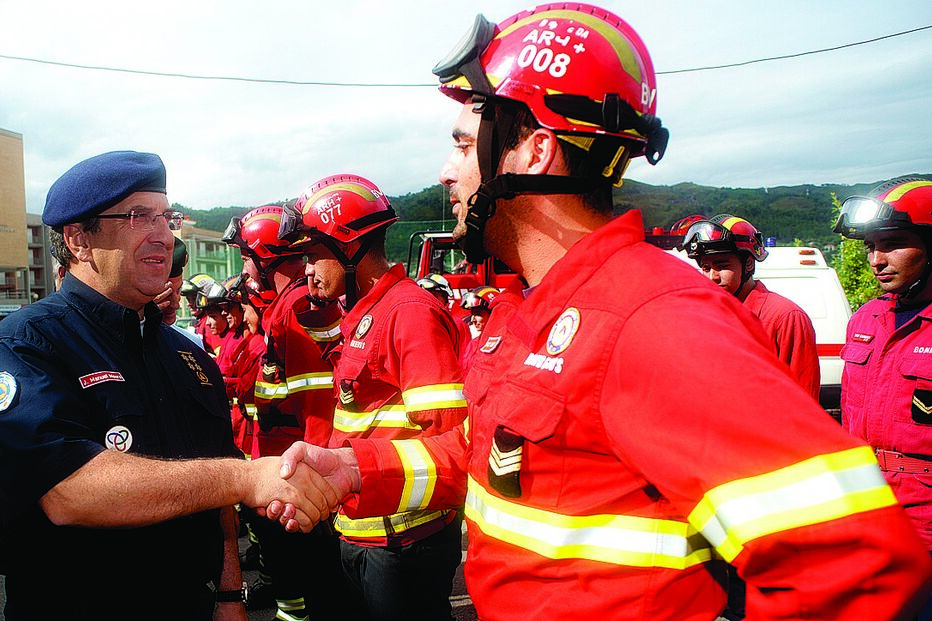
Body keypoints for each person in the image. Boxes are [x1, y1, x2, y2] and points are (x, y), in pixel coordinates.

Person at [268, 5, 932, 620]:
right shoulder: (528, 308)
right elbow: (492, 453)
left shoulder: (653, 319)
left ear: (534, 148)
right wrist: (360, 468)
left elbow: (857, 568)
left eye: (465, 144)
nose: (447, 170)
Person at [0, 150, 341, 620]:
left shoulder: (188, 358)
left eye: (167, 216)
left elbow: (218, 497)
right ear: (79, 239)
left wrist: (227, 597)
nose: (163, 235)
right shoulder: (26, 344)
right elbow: (68, 491)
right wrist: (246, 478)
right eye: (139, 216)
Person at [278, 173, 466, 621]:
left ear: (349, 247)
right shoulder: (365, 314)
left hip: (402, 546)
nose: (305, 270)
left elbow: (448, 437)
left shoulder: (409, 314)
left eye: (311, 255)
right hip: (362, 534)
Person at [223, 205, 348, 620]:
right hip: (284, 462)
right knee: (302, 576)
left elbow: (317, 400)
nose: (245, 268)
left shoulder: (293, 307)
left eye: (245, 256)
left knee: (322, 584)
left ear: (264, 255)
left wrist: (310, 480)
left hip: (302, 471)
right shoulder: (285, 306)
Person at [834, 176, 932, 620]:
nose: (876, 260)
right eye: (870, 246)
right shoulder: (865, 318)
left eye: (892, 244)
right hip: (865, 512)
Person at [681, 214, 821, 399]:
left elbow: (804, 397)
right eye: (706, 268)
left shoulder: (785, 317)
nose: (712, 277)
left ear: (748, 264)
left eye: (722, 266)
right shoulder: (706, 316)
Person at [459, 285, 499, 371]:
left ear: (494, 313)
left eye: (478, 314)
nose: (473, 320)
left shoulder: (505, 345)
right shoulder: (474, 343)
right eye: (472, 314)